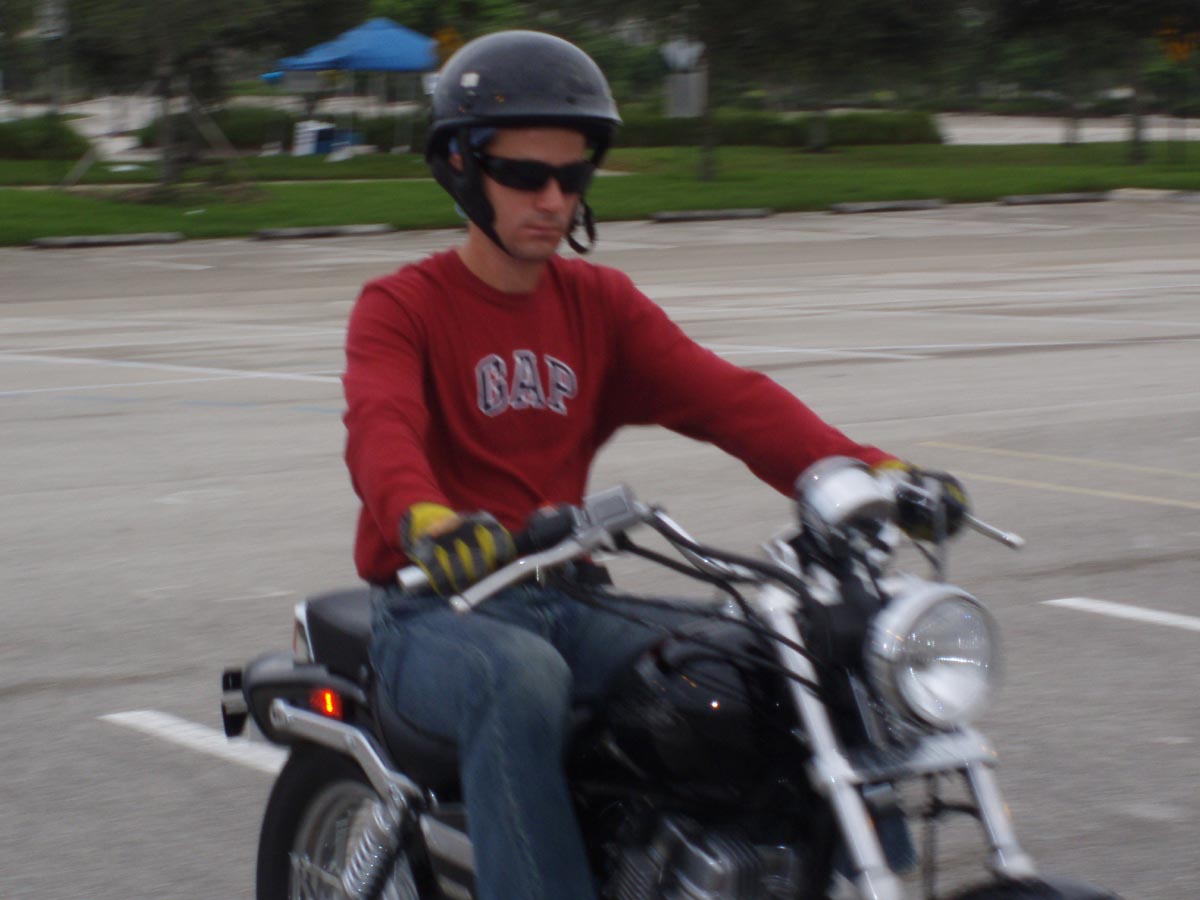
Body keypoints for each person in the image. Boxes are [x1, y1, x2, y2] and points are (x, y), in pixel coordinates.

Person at [342, 30, 964, 900]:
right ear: (459, 167)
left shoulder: (600, 305)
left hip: (568, 594)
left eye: (572, 177)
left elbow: (731, 401)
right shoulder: (403, 307)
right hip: (436, 609)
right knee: (518, 678)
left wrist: (874, 474)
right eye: (524, 175)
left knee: (767, 663)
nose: (553, 200)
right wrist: (427, 519)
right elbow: (382, 427)